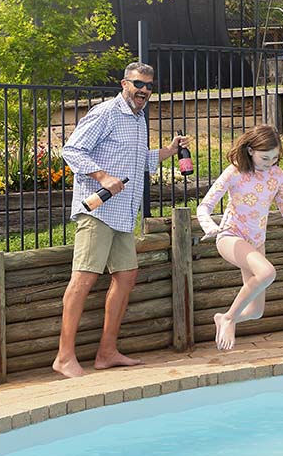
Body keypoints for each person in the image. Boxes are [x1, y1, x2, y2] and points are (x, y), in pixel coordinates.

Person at [53, 62, 190, 378]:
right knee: (84, 279)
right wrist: (102, 176)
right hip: (97, 211)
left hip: (124, 214)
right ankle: (63, 357)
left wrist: (168, 151)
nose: (144, 91)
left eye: (149, 86)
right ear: (124, 83)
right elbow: (71, 151)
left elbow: (137, 160)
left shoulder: (139, 118)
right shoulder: (105, 113)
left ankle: (107, 352)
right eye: (138, 84)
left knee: (126, 276)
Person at [197, 124, 283, 351]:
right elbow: (204, 206)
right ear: (251, 150)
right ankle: (228, 318)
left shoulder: (276, 175)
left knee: (255, 311)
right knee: (267, 272)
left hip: (256, 242)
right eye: (265, 157)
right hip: (230, 236)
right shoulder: (234, 172)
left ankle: (223, 317)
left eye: (275, 157)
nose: (270, 162)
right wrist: (210, 226)